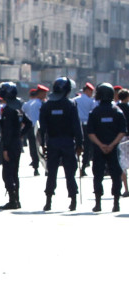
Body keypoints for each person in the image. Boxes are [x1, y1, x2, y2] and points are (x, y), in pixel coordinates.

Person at [39, 77, 83, 212]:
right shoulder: (70, 105)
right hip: (68, 142)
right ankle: (73, 200)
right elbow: (77, 126)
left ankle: (48, 201)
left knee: (51, 172)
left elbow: (42, 128)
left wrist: (42, 144)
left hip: (52, 142)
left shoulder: (46, 105)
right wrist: (80, 143)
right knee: (70, 172)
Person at [85, 83, 127, 212]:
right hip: (114, 149)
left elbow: (90, 132)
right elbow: (122, 131)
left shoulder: (94, 112)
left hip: (99, 149)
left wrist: (100, 144)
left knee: (98, 175)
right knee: (116, 175)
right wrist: (112, 144)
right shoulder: (117, 111)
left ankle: (98, 203)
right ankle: (116, 203)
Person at [0, 82, 32, 210]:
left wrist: (5, 149)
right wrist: (20, 135)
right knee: (15, 173)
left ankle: (12, 200)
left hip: (10, 144)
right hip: (17, 143)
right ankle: (16, 199)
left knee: (7, 174)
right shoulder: (19, 107)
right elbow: (28, 123)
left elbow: (7, 131)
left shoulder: (8, 110)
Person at [73, 83, 97, 177]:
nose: (91, 93)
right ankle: (83, 167)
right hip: (87, 126)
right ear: (87, 91)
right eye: (91, 91)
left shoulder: (74, 100)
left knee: (75, 146)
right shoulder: (91, 102)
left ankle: (75, 166)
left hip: (76, 125)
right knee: (87, 147)